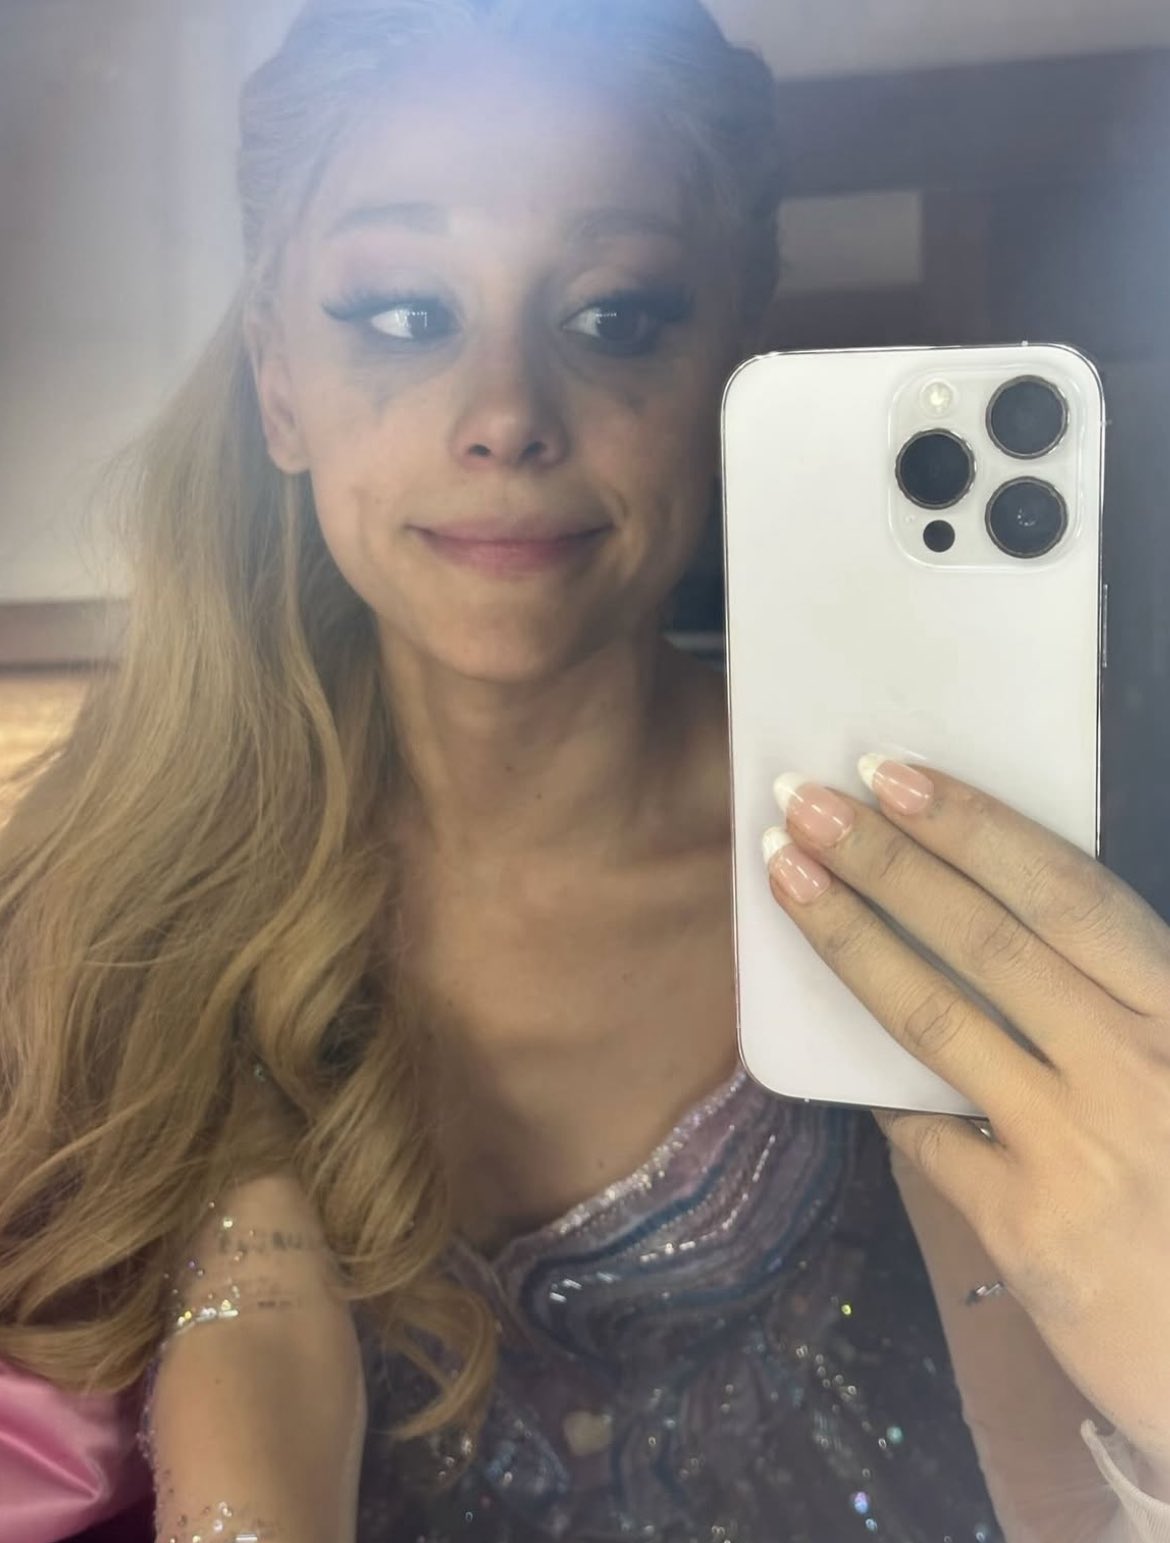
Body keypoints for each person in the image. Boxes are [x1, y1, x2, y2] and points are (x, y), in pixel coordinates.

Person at [2, 1, 1170, 1539]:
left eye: (615, 316)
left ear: (730, 367)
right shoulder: (129, 884)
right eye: (402, 313)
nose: (505, 417)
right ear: (278, 383)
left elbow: (1056, 1487)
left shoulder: (904, 860)